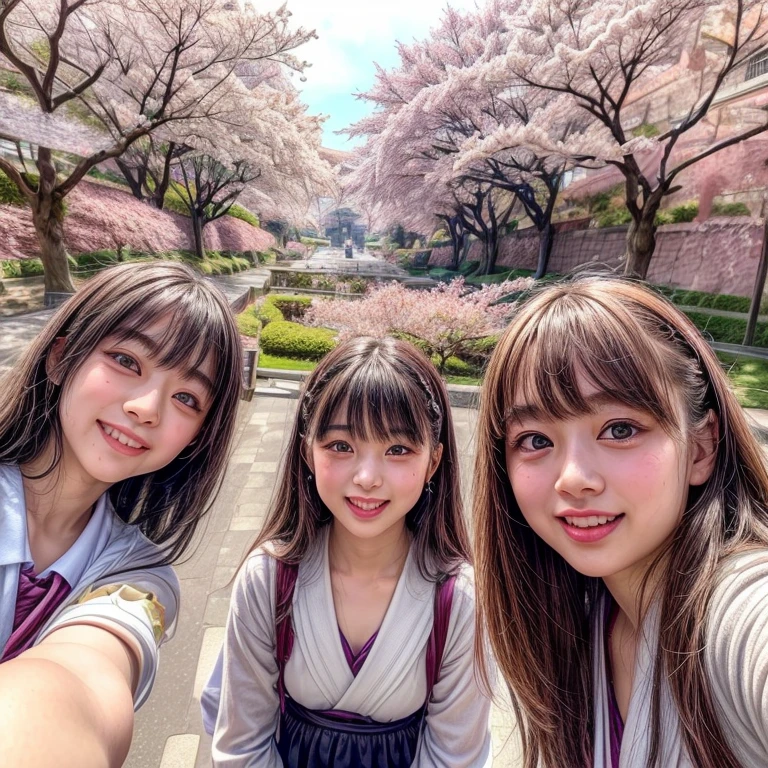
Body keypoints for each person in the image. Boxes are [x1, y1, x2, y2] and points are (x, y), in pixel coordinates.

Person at [473, 275, 768, 768]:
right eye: (536, 440)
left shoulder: (736, 612)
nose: (573, 479)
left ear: (701, 446)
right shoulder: (586, 621)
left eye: (620, 429)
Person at [204, 336, 493, 767]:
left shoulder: (459, 600)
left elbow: (454, 757)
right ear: (308, 452)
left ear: (433, 462)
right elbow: (242, 747)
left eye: (397, 450)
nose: (367, 477)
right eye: (341, 446)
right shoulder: (269, 578)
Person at [0, 261, 242, 768]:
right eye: (126, 360)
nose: (147, 407)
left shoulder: (140, 578)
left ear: (195, 437)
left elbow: (84, 678)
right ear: (62, 358)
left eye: (185, 397)